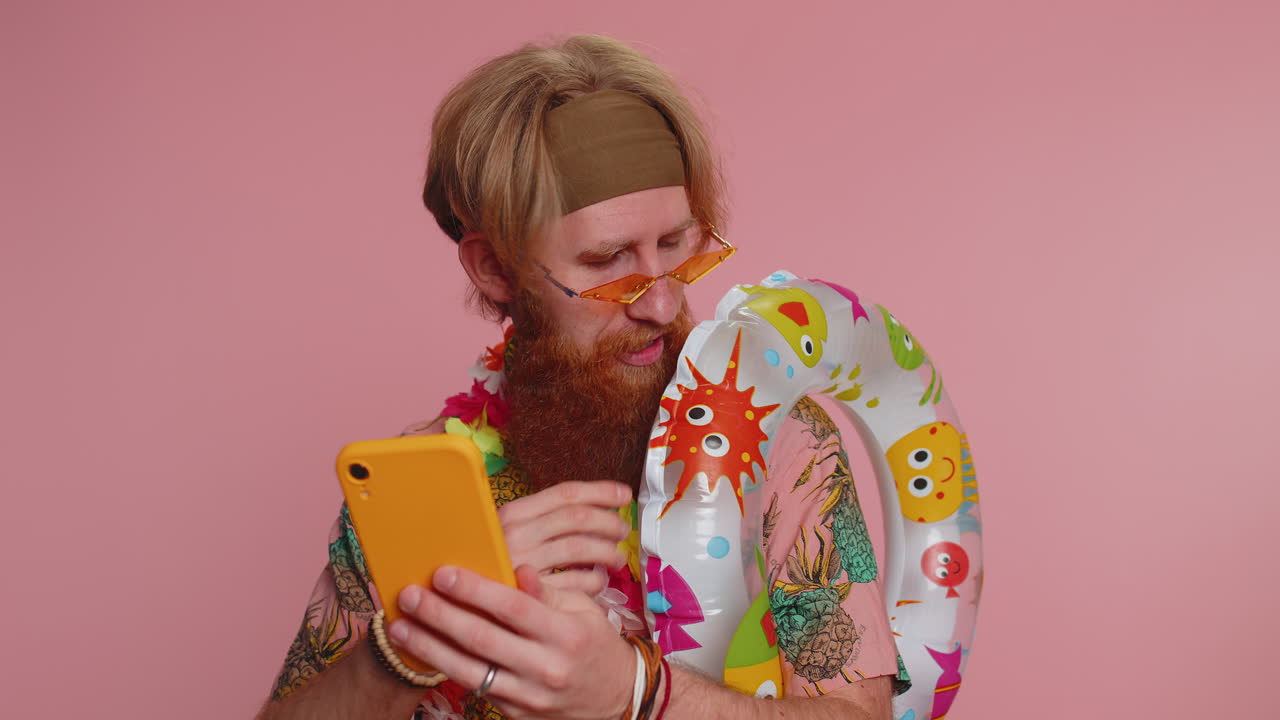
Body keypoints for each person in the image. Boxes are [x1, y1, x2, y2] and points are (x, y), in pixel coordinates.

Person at [257, 34, 907, 720]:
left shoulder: (781, 445)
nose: (660, 304)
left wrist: (637, 693)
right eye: (606, 262)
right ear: (496, 270)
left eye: (675, 248)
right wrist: (415, 643)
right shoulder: (416, 489)